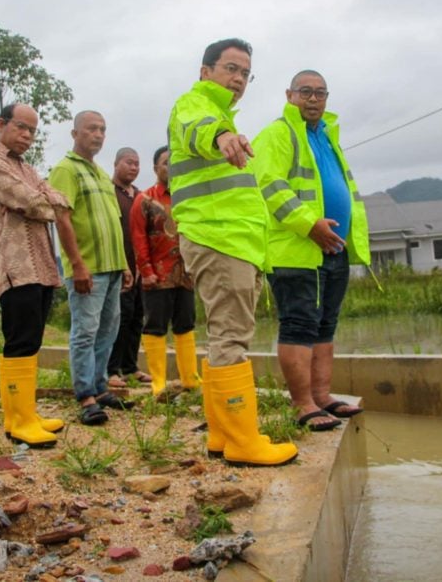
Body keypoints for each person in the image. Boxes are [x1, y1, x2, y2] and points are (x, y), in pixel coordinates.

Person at [167, 38, 297, 467]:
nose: (238, 79)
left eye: (245, 73)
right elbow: (197, 128)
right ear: (206, 71)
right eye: (230, 69)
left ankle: (223, 435)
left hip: (233, 242)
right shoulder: (195, 105)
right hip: (219, 239)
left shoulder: (215, 111)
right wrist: (221, 135)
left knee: (224, 336)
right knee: (231, 338)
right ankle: (243, 441)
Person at [252, 70, 370, 431]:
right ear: (290, 95)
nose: (314, 99)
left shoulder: (328, 138)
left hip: (333, 249)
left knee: (325, 324)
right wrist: (310, 225)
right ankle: (302, 403)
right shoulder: (278, 133)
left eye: (320, 93)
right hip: (295, 249)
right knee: (299, 324)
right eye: (306, 92)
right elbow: (269, 186)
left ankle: (322, 396)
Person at [0, 103, 68, 449]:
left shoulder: (25, 167)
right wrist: (47, 202)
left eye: (32, 130)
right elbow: (29, 200)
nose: (27, 136)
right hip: (14, 266)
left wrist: (47, 199)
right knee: (20, 339)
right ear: (1, 124)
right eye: (21, 128)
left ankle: (25, 412)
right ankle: (17, 421)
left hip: (41, 264)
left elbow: (53, 196)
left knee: (33, 338)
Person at [49, 111, 134, 426]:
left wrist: (124, 265)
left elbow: (114, 224)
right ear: (75, 133)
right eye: (91, 129)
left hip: (112, 268)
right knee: (85, 332)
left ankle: (99, 388)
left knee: (107, 331)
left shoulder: (100, 174)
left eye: (103, 129)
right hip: (88, 268)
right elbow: (62, 218)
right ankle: (85, 396)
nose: (98, 135)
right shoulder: (65, 169)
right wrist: (77, 265)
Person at [129, 145, 199, 396]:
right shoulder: (145, 199)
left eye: (176, 162)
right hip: (157, 274)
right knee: (155, 325)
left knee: (186, 324)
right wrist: (146, 270)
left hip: (187, 273)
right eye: (166, 162)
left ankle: (190, 378)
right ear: (156, 168)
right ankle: (158, 381)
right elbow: (138, 237)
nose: (171, 167)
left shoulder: (189, 196)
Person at [106, 147, 149, 388]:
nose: (133, 167)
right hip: (119, 266)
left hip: (142, 267)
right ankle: (112, 370)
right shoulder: (109, 193)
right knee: (118, 318)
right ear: (116, 163)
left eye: (137, 163)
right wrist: (124, 264)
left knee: (136, 318)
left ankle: (131, 367)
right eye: (129, 162)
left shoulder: (141, 196)